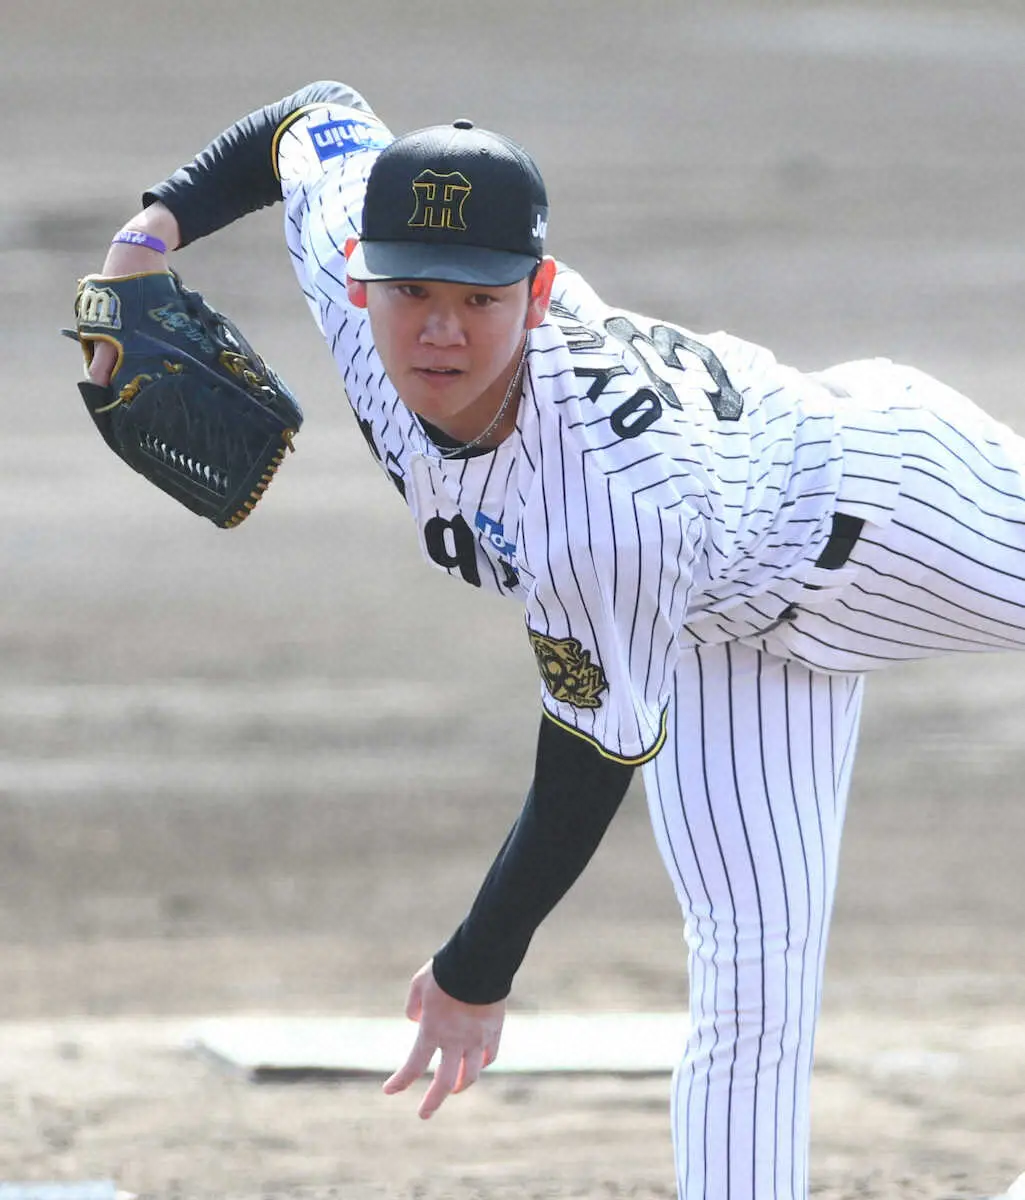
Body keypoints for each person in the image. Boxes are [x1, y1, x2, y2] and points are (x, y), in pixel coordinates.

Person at [81, 80, 1025, 1200]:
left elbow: (585, 757)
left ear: (534, 294)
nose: (438, 328)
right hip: (715, 620)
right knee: (750, 971)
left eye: (477, 299)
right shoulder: (354, 275)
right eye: (410, 290)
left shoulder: (604, 501)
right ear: (359, 276)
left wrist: (475, 968)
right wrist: (146, 239)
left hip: (894, 503)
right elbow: (309, 120)